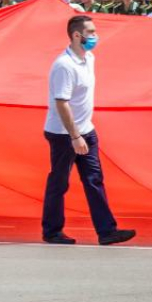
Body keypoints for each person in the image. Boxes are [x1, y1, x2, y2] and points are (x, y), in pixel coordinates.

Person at [42, 15, 136, 246]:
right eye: (91, 32)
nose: (95, 36)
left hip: (87, 130)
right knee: (60, 182)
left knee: (94, 179)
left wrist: (83, 133)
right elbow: (61, 103)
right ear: (77, 35)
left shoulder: (89, 58)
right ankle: (52, 231)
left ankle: (107, 231)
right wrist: (74, 137)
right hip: (64, 134)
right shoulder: (64, 66)